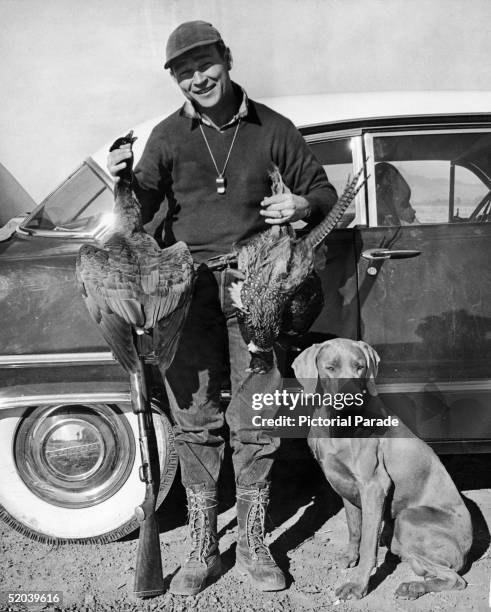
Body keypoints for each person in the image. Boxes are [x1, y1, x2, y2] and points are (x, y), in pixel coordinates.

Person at [107, 20, 338, 596]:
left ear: (227, 59)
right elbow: (141, 216)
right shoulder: (165, 136)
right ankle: (204, 547)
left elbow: (325, 194)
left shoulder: (272, 128)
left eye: (205, 64)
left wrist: (300, 203)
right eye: (184, 72)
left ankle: (256, 545)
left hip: (255, 289)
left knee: (257, 415)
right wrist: (123, 187)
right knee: (194, 416)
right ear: (176, 80)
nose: (197, 78)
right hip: (183, 295)